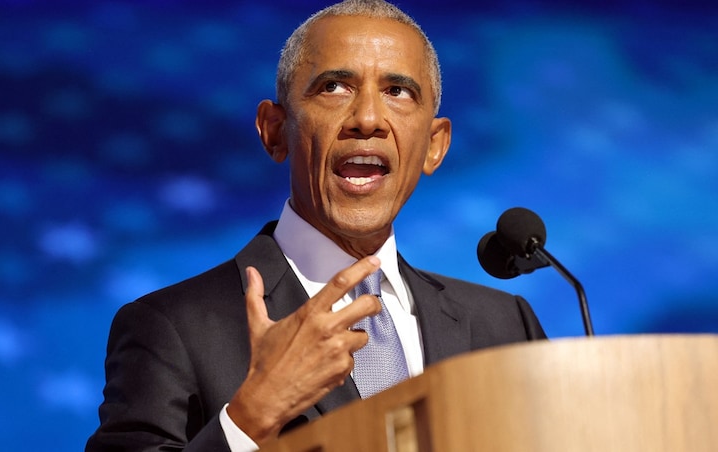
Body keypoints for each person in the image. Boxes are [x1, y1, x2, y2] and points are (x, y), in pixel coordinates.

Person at [86, 1, 547, 451]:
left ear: (434, 145)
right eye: (334, 87)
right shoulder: (173, 328)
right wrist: (252, 415)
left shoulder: (504, 326)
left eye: (398, 91)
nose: (367, 119)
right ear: (274, 130)